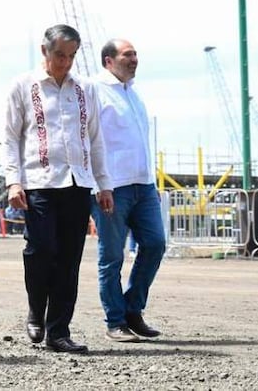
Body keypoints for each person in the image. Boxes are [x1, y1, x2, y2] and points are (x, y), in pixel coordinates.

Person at [4, 24, 113, 354]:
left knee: (69, 259)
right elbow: (10, 136)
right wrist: (13, 181)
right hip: (39, 183)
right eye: (59, 55)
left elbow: (95, 139)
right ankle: (36, 308)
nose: (65, 63)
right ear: (44, 52)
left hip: (77, 183)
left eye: (71, 56)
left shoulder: (86, 89)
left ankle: (58, 331)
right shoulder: (23, 86)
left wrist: (103, 184)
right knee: (40, 251)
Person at [91, 39, 165, 342]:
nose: (134, 59)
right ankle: (115, 321)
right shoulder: (95, 91)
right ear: (109, 61)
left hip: (143, 186)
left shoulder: (133, 94)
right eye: (127, 55)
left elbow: (140, 143)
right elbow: (89, 141)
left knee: (155, 244)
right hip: (112, 187)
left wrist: (153, 181)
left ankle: (133, 310)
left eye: (135, 54)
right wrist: (99, 184)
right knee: (112, 257)